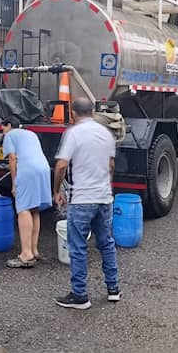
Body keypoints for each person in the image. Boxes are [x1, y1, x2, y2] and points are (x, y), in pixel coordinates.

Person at [52, 97, 121, 309]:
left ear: (73, 114)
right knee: (106, 243)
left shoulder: (73, 133)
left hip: (82, 198)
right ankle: (113, 289)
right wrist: (104, 185)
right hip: (104, 197)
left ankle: (80, 295)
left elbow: (62, 165)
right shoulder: (106, 133)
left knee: (78, 246)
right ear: (92, 112)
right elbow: (110, 164)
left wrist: (56, 191)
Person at [0, 116, 52, 268]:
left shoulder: (10, 135)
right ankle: (34, 250)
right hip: (43, 168)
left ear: (9, 125)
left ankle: (26, 255)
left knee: (23, 209)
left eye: (2, 128)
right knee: (34, 209)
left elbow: (12, 158)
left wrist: (14, 182)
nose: (2, 131)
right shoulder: (31, 133)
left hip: (28, 170)